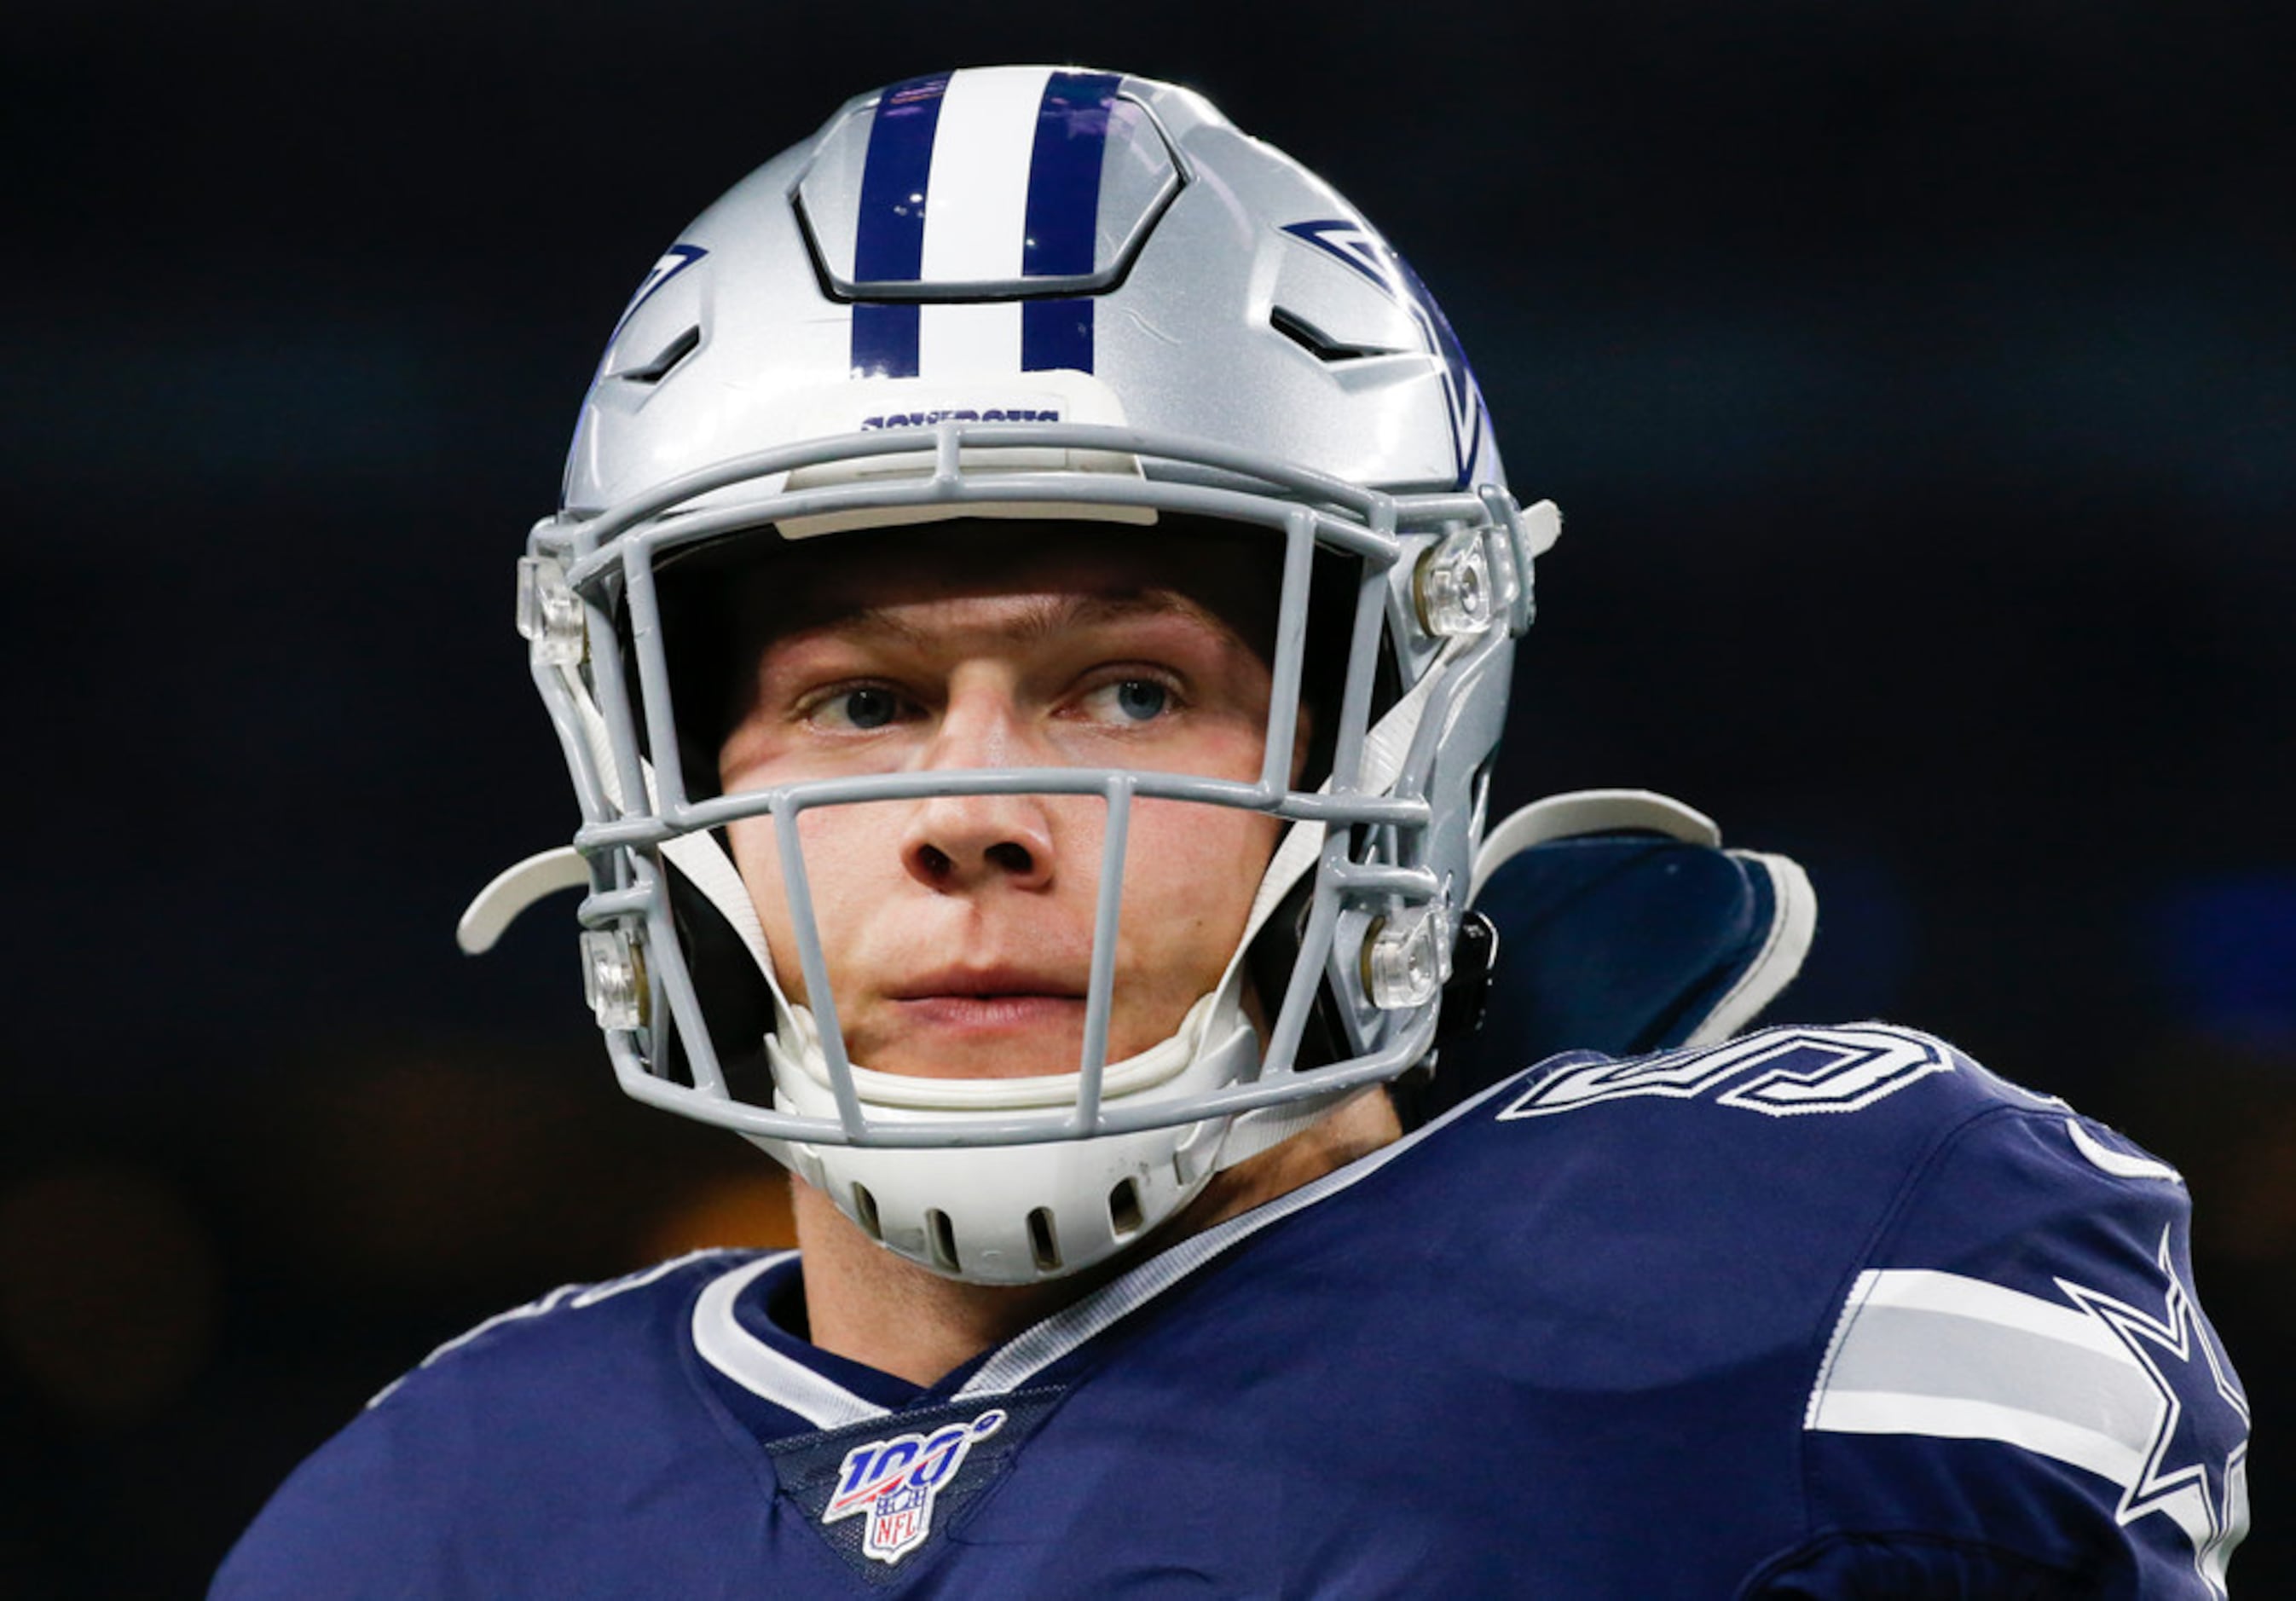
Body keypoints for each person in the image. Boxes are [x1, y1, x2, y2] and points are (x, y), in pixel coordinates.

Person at [215, 66, 2250, 1596]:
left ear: (1402, 721)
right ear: (673, 784)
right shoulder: (435, 1513)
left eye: (1129, 688)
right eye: (862, 704)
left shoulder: (1803, 1282)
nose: (982, 819)